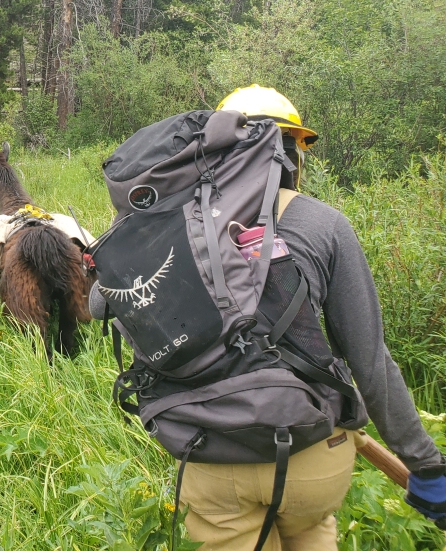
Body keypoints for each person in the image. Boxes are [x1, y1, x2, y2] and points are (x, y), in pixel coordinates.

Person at [175, 84, 446, 550]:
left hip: (209, 452)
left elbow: (103, 305)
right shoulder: (325, 224)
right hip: (313, 457)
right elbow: (370, 361)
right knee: (313, 532)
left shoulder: (176, 223)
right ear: (292, 155)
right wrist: (424, 464)